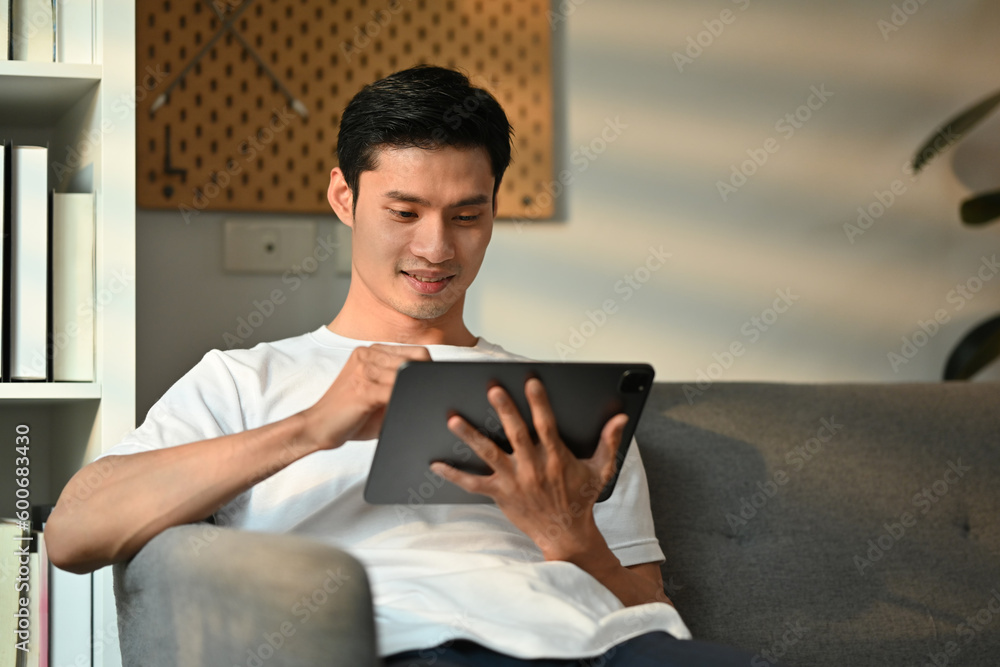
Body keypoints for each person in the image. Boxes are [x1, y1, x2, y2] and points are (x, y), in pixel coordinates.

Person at [45, 65, 758, 666]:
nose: (437, 247)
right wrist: (313, 426)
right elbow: (73, 534)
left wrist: (568, 532)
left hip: (594, 646)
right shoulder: (243, 379)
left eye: (467, 216)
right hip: (409, 646)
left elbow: (652, 614)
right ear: (344, 198)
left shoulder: (564, 403)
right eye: (405, 211)